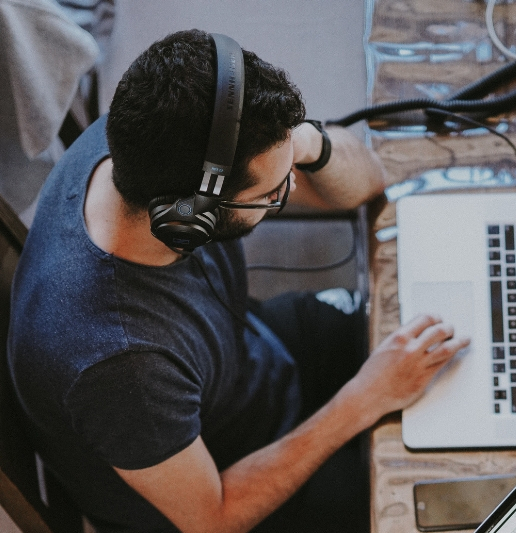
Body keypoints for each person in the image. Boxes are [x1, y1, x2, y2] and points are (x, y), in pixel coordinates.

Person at [8, 29, 470, 533]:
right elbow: (214, 517)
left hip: (250, 361)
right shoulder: (120, 365)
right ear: (189, 219)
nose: (291, 189)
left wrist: (303, 141)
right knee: (444, 496)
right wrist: (364, 398)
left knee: (461, 348)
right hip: (228, 482)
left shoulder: (142, 142)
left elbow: (367, 182)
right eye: (274, 193)